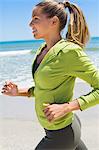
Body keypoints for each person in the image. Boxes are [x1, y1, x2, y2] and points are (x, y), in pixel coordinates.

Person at [1, 1, 99, 149]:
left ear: (53, 21)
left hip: (62, 133)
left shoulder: (69, 52)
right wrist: (18, 92)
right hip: (64, 128)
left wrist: (66, 107)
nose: (30, 24)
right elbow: (46, 89)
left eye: (36, 19)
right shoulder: (43, 50)